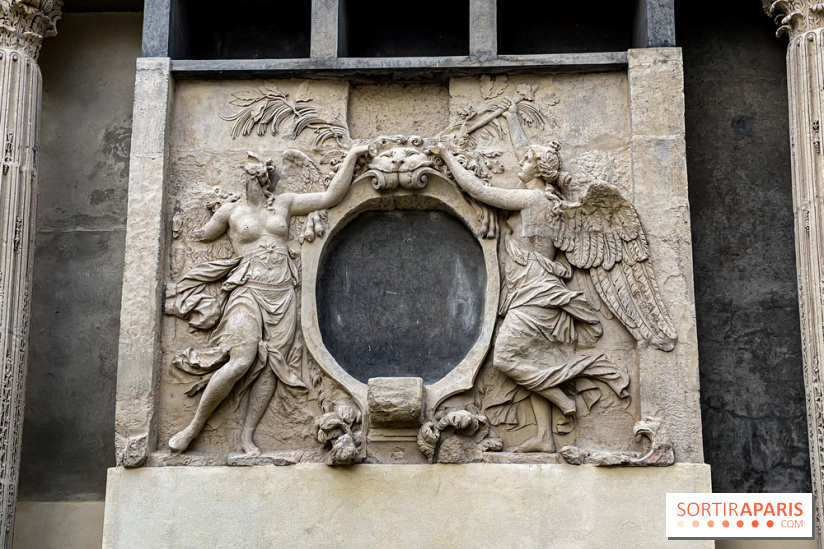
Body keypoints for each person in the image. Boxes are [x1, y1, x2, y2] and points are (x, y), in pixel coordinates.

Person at [431, 101, 629, 453]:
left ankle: (571, 394)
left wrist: (446, 156)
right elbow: (527, 152)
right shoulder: (546, 200)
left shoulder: (530, 200)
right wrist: (511, 119)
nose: (518, 163)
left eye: (525, 161)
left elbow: (479, 191)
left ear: (537, 170)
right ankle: (544, 438)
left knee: (506, 359)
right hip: (536, 291)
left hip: (534, 293)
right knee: (536, 360)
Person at [167, 144, 369, 455]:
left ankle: (247, 436)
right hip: (247, 288)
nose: (252, 182)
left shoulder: (285, 204)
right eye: (248, 176)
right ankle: (193, 428)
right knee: (242, 358)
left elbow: (331, 197)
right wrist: (195, 207)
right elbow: (199, 236)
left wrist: (352, 157)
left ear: (265, 179)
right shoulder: (230, 211)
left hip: (283, 290)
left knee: (272, 365)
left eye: (257, 176)